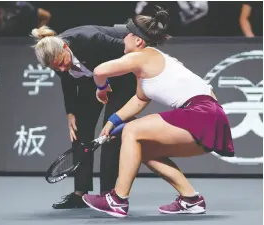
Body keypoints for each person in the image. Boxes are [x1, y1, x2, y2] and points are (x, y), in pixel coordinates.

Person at [82, 6, 235, 218]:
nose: (123, 37)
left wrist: (101, 89)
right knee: (144, 148)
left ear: (138, 41)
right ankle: (191, 199)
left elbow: (99, 71)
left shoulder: (143, 55)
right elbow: (140, 99)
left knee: (133, 131)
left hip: (201, 113)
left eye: (127, 34)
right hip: (211, 118)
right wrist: (112, 121)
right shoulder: (148, 65)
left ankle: (117, 199)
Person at [30, 25, 136, 209]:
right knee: (79, 133)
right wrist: (71, 113)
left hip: (122, 78)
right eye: (57, 68)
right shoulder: (56, 60)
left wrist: (106, 84)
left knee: (109, 134)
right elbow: (68, 83)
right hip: (92, 80)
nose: (63, 69)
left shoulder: (90, 39)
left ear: (65, 47)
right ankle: (81, 193)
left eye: (63, 63)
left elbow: (131, 51)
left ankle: (108, 194)